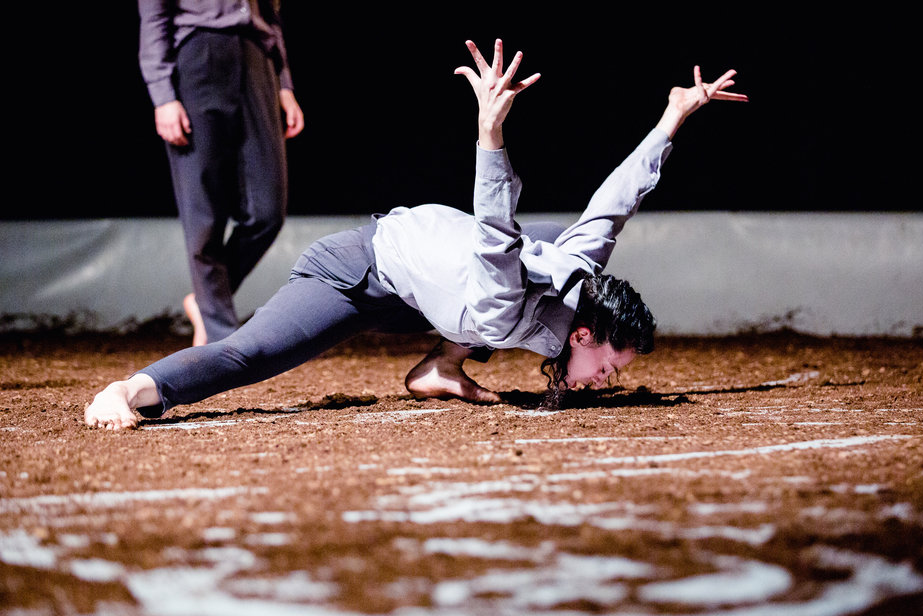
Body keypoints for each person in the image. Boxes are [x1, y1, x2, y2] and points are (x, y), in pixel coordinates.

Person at [85, 39, 747, 429]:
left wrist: (672, 117)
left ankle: (438, 365)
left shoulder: (575, 286)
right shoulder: (504, 300)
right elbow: (493, 223)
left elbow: (614, 204)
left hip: (438, 285)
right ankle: (137, 388)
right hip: (361, 272)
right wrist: (490, 133)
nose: (607, 380)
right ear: (580, 335)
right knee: (252, 353)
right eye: (608, 365)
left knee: (560, 236)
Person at [137, 0, 305, 347]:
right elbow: (154, 20)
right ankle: (222, 338)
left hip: (256, 58)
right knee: (204, 212)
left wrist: (284, 85)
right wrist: (163, 96)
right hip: (199, 55)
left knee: (267, 212)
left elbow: (272, 17)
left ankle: (205, 301)